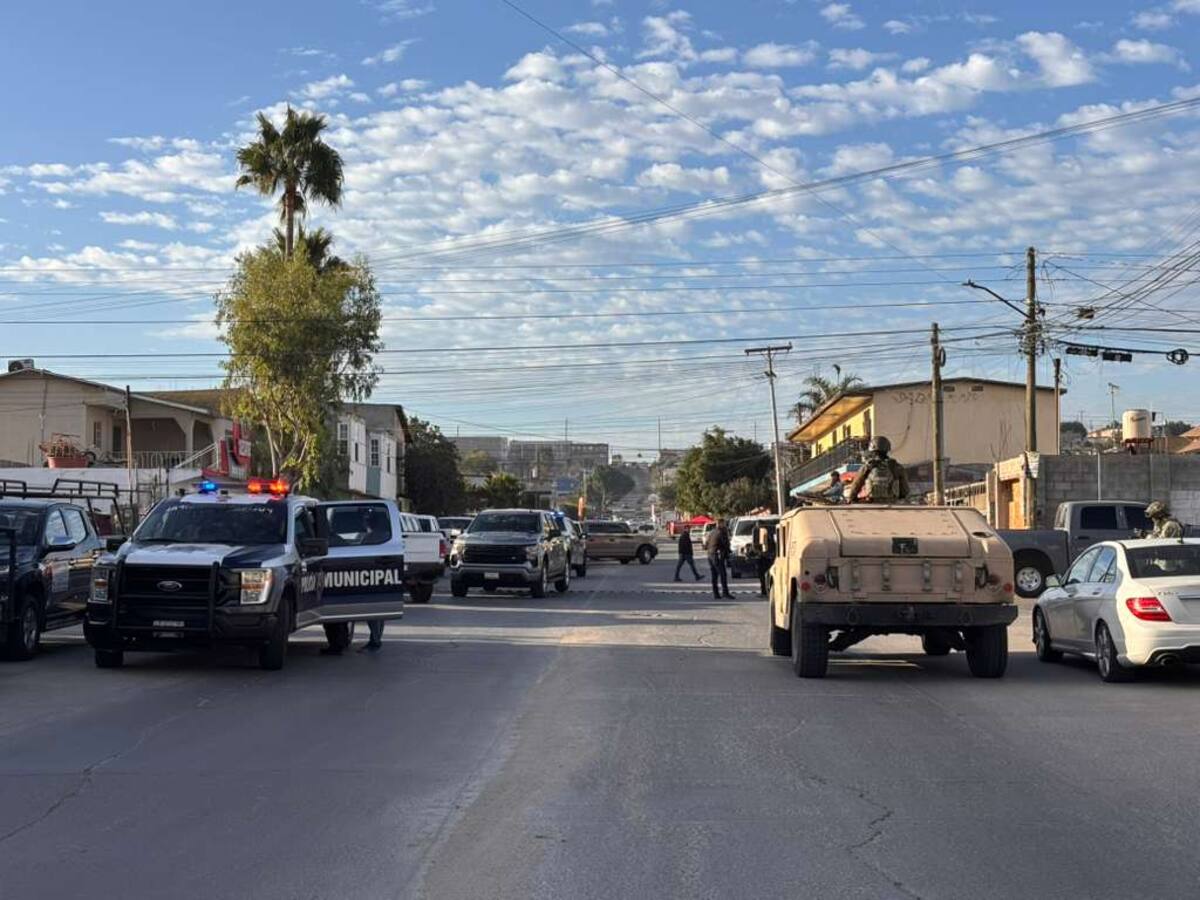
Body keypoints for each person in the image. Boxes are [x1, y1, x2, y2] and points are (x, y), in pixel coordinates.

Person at [847, 436, 909, 504]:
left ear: (872, 450)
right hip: (892, 503)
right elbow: (905, 490)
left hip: (872, 503)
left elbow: (856, 484)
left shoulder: (867, 466)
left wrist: (852, 498)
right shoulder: (896, 467)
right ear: (887, 450)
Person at [705, 519, 733, 599]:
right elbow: (725, 544)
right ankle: (725, 592)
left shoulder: (712, 532)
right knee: (723, 574)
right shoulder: (721, 532)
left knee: (714, 575)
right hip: (717, 556)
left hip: (710, 555)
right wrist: (728, 552)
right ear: (720, 524)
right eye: (724, 524)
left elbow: (706, 544)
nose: (725, 525)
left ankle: (716, 593)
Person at [755, 521, 777, 597]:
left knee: (764, 575)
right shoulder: (767, 532)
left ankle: (765, 591)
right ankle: (765, 591)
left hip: (765, 557)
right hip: (766, 556)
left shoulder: (765, 533)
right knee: (764, 575)